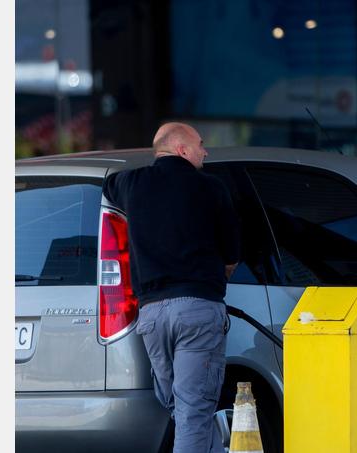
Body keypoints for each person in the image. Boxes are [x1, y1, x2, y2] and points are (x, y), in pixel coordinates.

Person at [103, 122, 240, 452]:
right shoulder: (211, 188)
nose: (205, 151)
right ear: (182, 149)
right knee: (193, 410)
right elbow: (232, 257)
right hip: (196, 311)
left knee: (184, 409)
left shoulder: (131, 184)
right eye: (200, 145)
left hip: (151, 316)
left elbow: (107, 184)